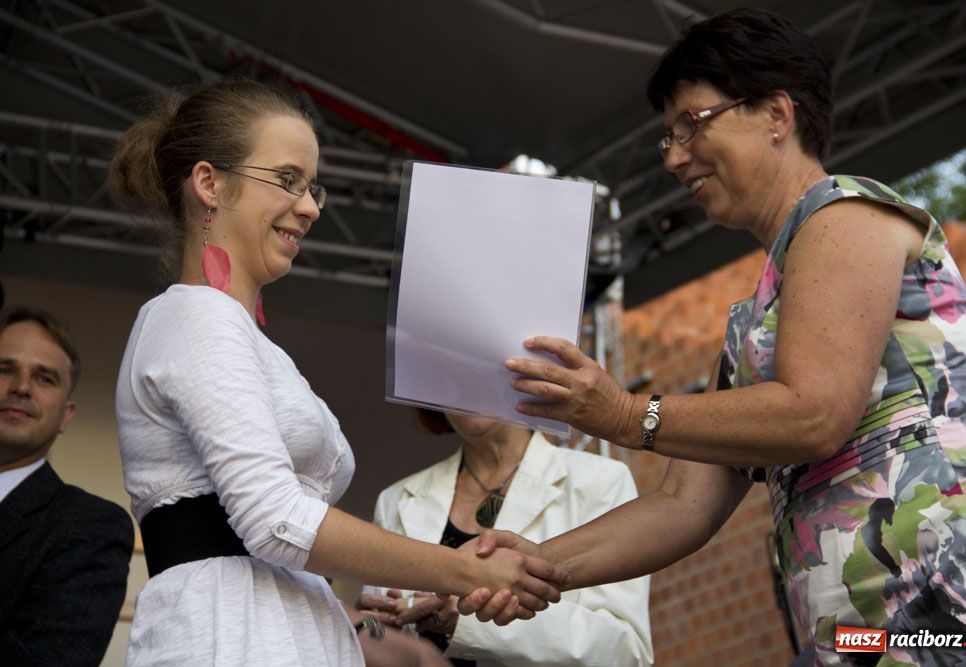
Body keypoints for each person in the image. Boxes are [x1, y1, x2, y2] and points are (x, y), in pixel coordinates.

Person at [464, 8, 966, 666]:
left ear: (777, 114)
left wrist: (627, 412)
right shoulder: (756, 319)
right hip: (858, 631)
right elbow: (683, 504)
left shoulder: (845, 214)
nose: (674, 156)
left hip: (947, 605)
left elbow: (815, 413)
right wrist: (536, 563)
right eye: (667, 138)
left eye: (692, 123)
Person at [108, 78, 566, 666]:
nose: (310, 205)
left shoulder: (246, 338)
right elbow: (275, 520)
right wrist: (459, 565)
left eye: (312, 186)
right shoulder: (197, 315)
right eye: (286, 180)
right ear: (209, 184)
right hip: (228, 637)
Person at [358, 410, 653, 666]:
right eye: (451, 374)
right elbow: (379, 636)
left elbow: (625, 652)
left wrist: (466, 622)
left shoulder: (599, 481)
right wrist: (371, 626)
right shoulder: (395, 499)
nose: (467, 386)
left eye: (481, 366)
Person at [0, 306, 133, 666]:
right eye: (5, 369)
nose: (21, 388)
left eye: (45, 378)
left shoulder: (91, 529)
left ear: (66, 415)